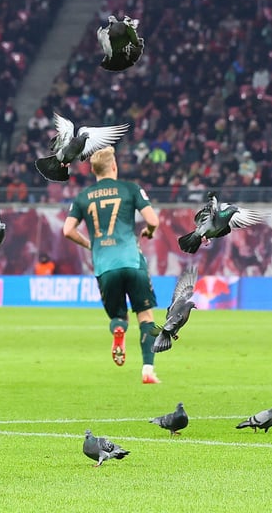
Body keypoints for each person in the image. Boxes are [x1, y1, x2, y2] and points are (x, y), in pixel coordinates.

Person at [62, 146, 162, 384]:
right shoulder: (130, 189)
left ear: (93, 170)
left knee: (119, 316)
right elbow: (152, 220)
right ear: (114, 167)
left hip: (105, 265)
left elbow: (67, 230)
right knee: (145, 316)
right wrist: (148, 231)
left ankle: (119, 329)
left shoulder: (83, 196)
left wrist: (91, 245)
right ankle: (148, 370)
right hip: (131, 260)